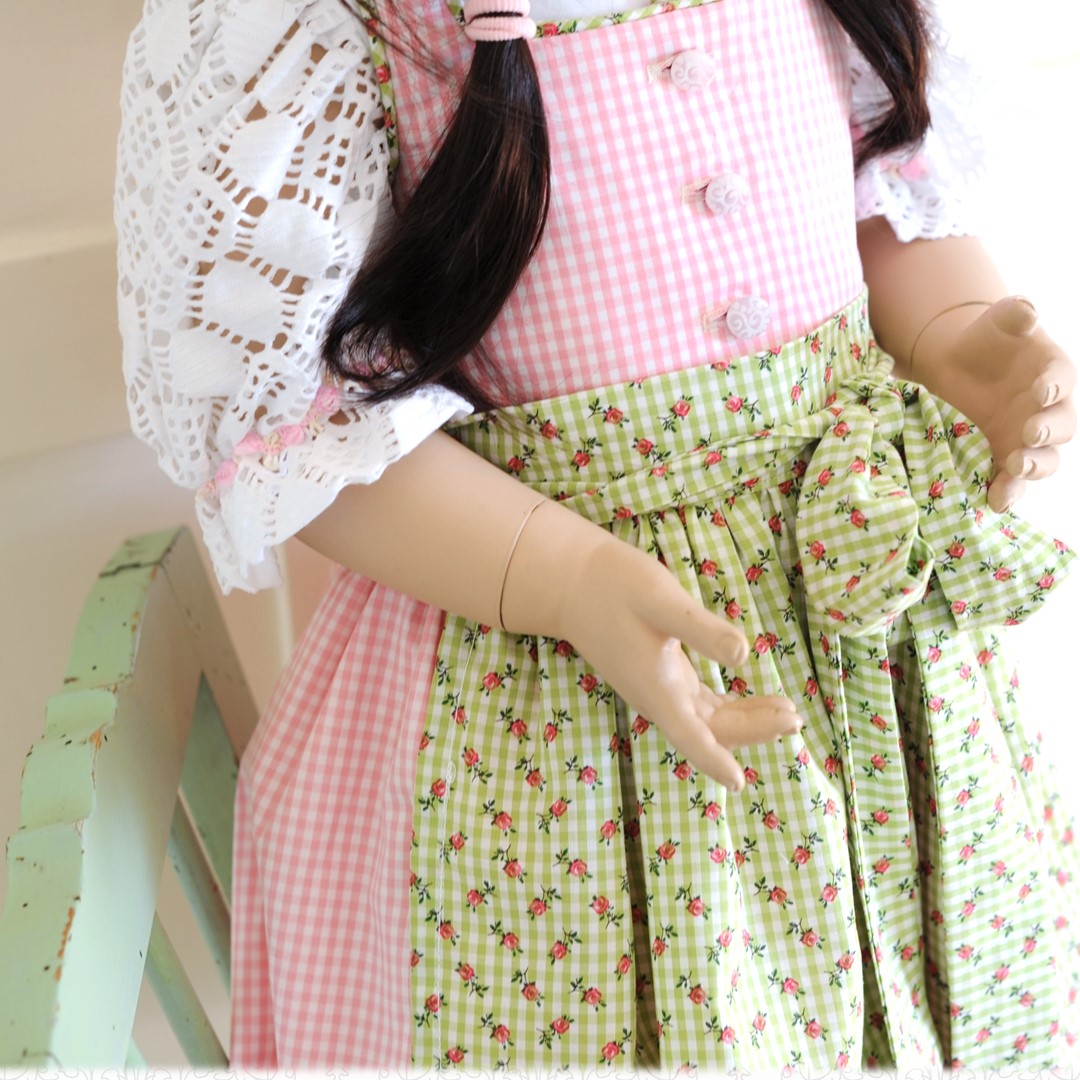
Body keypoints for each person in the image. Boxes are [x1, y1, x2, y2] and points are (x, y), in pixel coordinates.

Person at [115, 0, 1079, 1068]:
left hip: (870, 620)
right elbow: (295, 427)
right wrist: (562, 573)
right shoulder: (318, 26)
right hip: (531, 692)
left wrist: (957, 338)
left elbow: (883, 193)